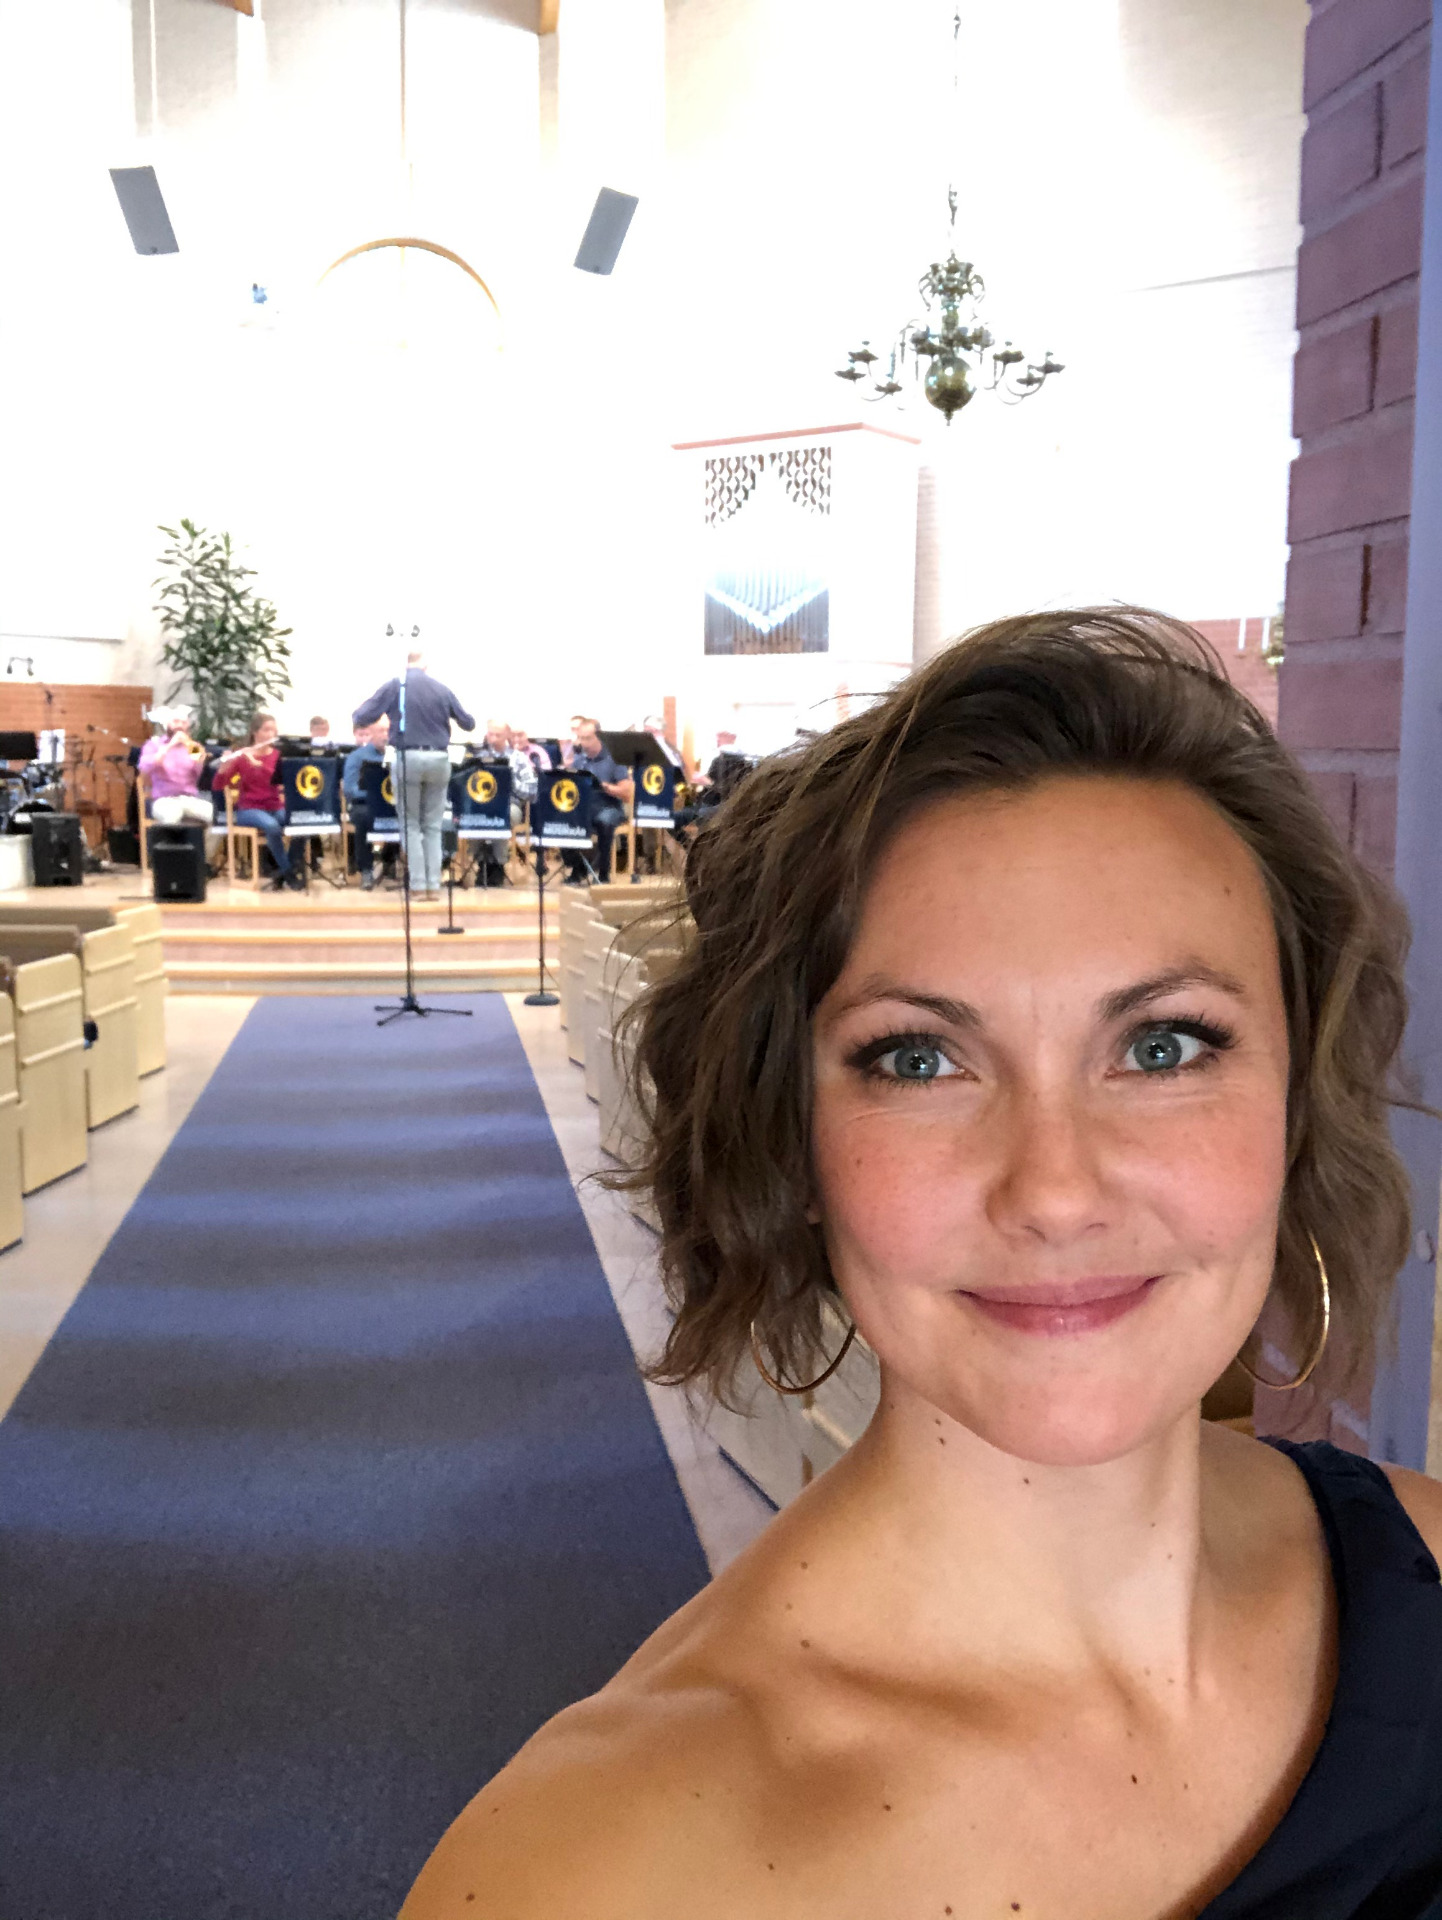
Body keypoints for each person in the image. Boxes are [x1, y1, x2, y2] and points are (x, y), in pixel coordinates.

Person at [402, 608, 1442, 1920]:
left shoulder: (1423, 1566)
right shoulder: (592, 1872)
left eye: (1163, 1046)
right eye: (919, 1059)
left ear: (1294, 1105)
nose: (1054, 1191)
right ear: (793, 1140)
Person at [352, 650, 474, 903]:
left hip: (408, 758)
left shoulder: (396, 685)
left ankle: (418, 887)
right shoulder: (441, 689)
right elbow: (468, 723)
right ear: (425, 667)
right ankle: (434, 886)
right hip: (439, 759)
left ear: (406, 666)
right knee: (433, 825)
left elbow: (362, 717)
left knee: (411, 824)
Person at [214, 713, 298, 891]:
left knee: (301, 824)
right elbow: (218, 785)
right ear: (255, 732)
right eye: (266, 730)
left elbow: (279, 779)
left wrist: (258, 764)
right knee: (272, 826)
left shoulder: (278, 755)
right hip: (249, 809)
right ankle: (288, 874)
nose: (271, 734)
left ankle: (283, 871)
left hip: (274, 805)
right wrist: (223, 768)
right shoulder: (242, 756)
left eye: (273, 730)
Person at [562, 717, 632, 885]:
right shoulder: (579, 760)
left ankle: (603, 872)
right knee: (562, 819)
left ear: (598, 736)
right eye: (581, 738)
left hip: (609, 806)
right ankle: (578, 868)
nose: (583, 743)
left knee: (604, 821)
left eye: (588, 738)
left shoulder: (614, 759)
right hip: (585, 807)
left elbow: (627, 793)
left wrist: (605, 786)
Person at [474, 721, 536, 889]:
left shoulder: (518, 757)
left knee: (503, 816)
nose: (493, 738)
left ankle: (498, 865)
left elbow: (532, 790)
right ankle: (482, 864)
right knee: (471, 817)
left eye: (498, 735)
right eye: (491, 734)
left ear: (507, 736)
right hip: (481, 803)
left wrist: (511, 781)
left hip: (509, 803)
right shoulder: (478, 757)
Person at [342, 718, 394, 892]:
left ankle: (390, 860)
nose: (385, 735)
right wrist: (374, 794)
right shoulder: (357, 757)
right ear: (371, 734)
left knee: (410, 817)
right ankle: (366, 870)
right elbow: (349, 789)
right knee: (363, 818)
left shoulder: (397, 755)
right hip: (365, 804)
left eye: (388, 731)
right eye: (381, 731)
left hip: (391, 803)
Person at [138, 711, 212, 826]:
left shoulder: (192, 747)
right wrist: (171, 745)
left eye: (184, 723)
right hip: (163, 799)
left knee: (211, 813)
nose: (180, 726)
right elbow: (145, 766)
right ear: (167, 724)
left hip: (189, 798)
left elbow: (198, 769)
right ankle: (170, 838)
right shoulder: (154, 745)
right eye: (176, 722)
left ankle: (202, 839)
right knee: (172, 815)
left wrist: (189, 745)